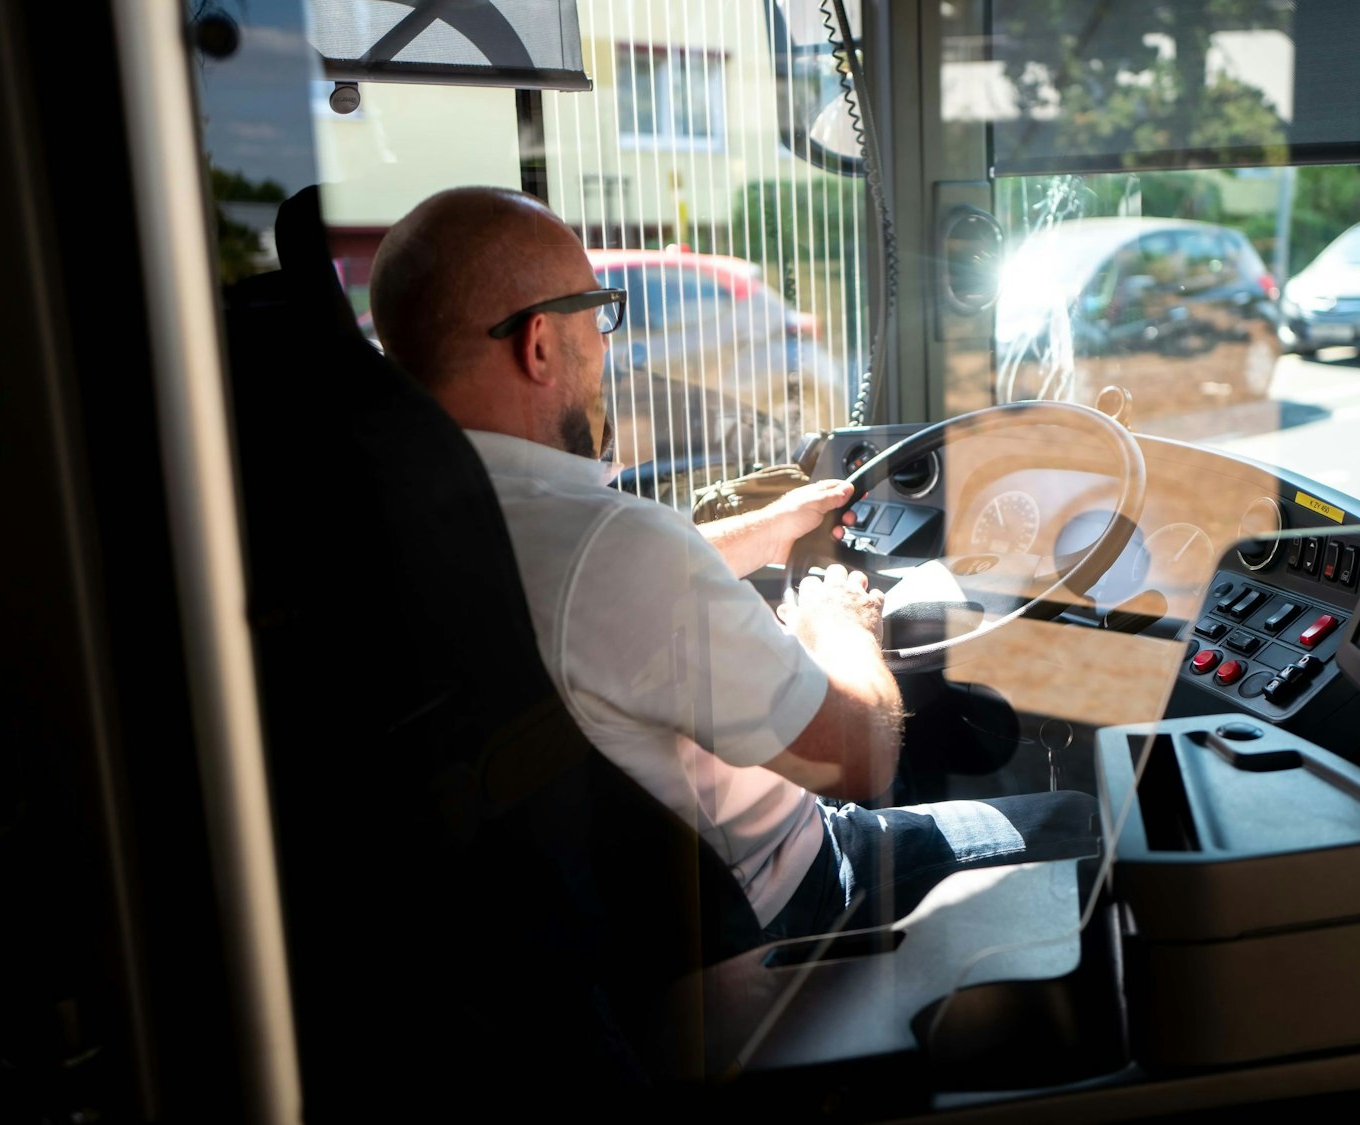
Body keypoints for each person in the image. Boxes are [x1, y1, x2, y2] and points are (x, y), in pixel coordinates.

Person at [368, 187, 1098, 940]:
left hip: (605, 923)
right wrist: (837, 625)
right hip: (789, 898)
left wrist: (770, 531)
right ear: (541, 343)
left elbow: (595, 598)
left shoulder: (420, 526)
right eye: (598, 311)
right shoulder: (612, 546)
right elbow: (859, 756)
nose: (607, 344)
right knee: (1086, 825)